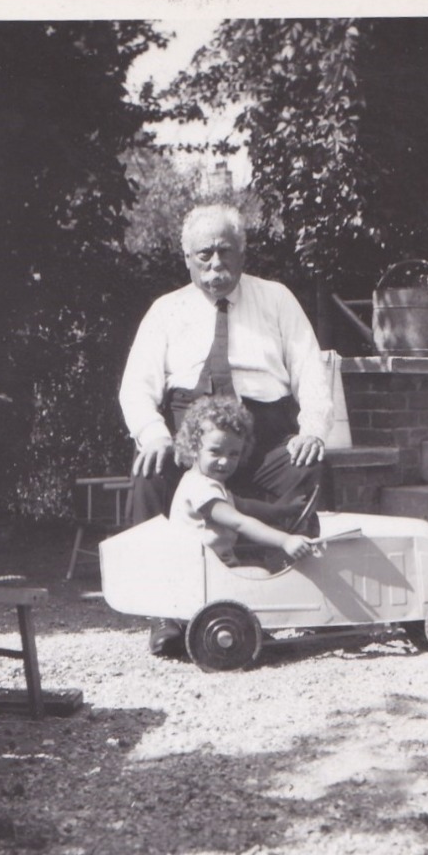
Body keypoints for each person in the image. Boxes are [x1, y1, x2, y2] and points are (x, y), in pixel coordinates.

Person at [119, 202, 334, 654]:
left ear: (243, 252)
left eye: (225, 251)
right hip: (190, 438)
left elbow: (311, 372)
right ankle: (166, 612)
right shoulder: (166, 310)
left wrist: (312, 429)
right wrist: (153, 435)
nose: (216, 264)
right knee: (149, 471)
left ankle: (285, 595)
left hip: (264, 431)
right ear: (187, 259)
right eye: (204, 255)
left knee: (306, 468)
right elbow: (135, 386)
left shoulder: (276, 298)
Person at [170, 395, 316, 569]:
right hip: (201, 572)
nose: (224, 461)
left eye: (233, 454)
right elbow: (239, 522)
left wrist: (283, 511)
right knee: (262, 575)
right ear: (194, 448)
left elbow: (244, 505)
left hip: (214, 568)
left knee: (259, 568)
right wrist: (285, 540)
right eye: (215, 452)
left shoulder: (206, 483)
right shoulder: (200, 488)